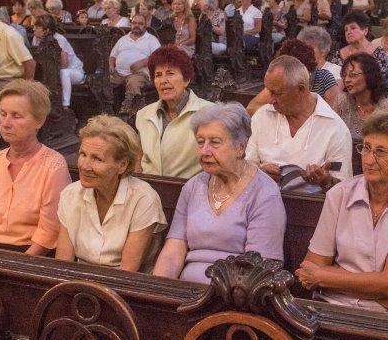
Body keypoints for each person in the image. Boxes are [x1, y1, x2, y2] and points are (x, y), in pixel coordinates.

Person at [296, 110, 388, 311]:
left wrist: (324, 276)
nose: (368, 160)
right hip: (328, 308)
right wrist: (381, 295)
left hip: (378, 319)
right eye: (366, 148)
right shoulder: (339, 195)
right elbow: (308, 271)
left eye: (380, 152)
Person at [153, 102, 286, 282]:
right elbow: (173, 251)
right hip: (185, 291)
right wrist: (161, 290)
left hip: (233, 297)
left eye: (215, 143)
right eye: (200, 142)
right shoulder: (193, 187)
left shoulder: (264, 193)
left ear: (240, 147)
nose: (205, 151)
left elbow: (259, 269)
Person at [0, 80, 70, 255]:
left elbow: (49, 231)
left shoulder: (53, 165)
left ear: (39, 121)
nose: (6, 123)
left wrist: (17, 267)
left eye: (16, 116)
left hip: (32, 256)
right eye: (3, 114)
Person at [55, 116, 165, 270]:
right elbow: (62, 264)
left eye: (97, 159)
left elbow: (128, 272)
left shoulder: (143, 198)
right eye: (83, 154)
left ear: (122, 165)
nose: (85, 166)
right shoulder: (70, 194)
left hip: (124, 288)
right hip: (76, 285)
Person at [246, 55, 353, 191]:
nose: (271, 100)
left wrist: (325, 180)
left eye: (277, 93)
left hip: (309, 207)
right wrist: (258, 174)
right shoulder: (263, 116)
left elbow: (344, 189)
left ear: (301, 89)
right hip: (261, 202)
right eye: (269, 91)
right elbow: (244, 166)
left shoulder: (335, 128)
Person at [136, 45, 212, 178]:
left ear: (186, 79)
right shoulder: (143, 114)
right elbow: (138, 156)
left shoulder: (209, 113)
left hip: (189, 191)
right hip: (148, 189)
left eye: (170, 73)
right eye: (158, 75)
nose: (163, 81)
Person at [333, 52, 388, 149]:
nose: (346, 80)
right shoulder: (342, 101)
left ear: (369, 75)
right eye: (344, 75)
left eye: (353, 75)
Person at [32, 15, 85, 107]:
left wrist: (49, 71)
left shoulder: (59, 39)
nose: (33, 29)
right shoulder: (36, 39)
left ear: (47, 30)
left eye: (37, 27)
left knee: (64, 72)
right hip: (53, 72)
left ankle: (65, 106)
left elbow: (64, 64)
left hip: (74, 71)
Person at [108, 10, 160, 97]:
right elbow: (112, 56)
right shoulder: (123, 39)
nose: (137, 25)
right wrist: (111, 66)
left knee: (133, 84)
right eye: (134, 23)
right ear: (130, 24)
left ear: (145, 25)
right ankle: (108, 109)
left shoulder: (151, 39)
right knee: (103, 84)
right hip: (118, 74)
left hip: (138, 74)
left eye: (140, 24)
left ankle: (132, 109)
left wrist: (142, 63)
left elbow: (158, 57)